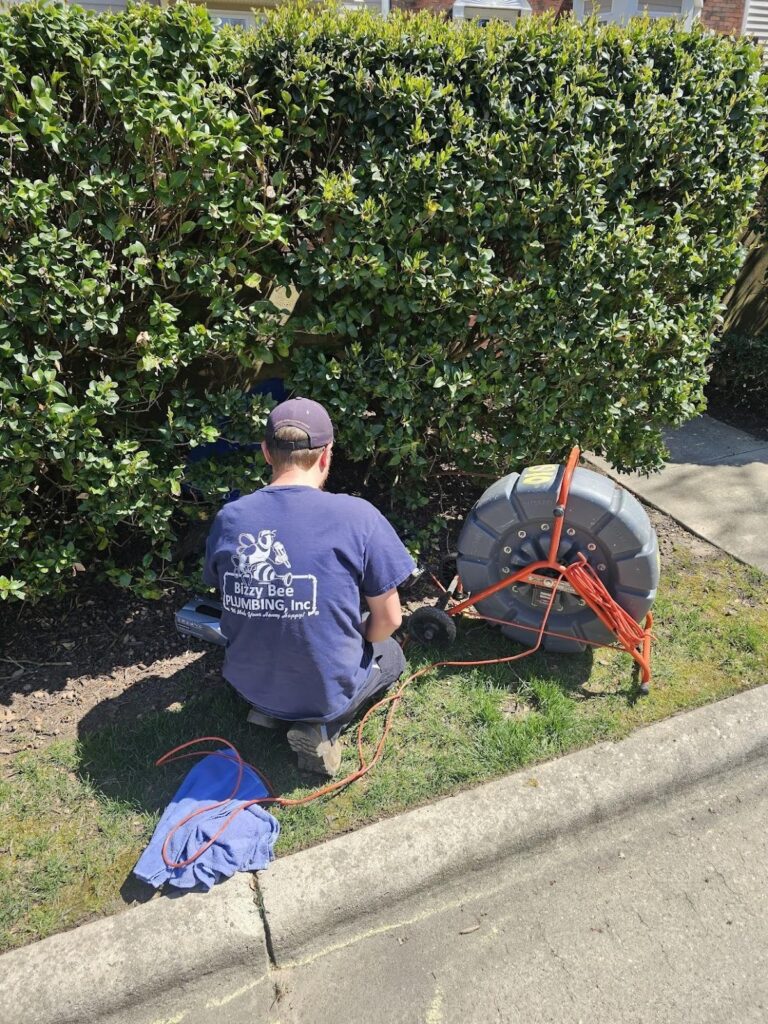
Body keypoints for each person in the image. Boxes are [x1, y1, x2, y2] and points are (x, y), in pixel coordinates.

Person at [203, 397, 416, 776]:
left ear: (266, 452)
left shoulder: (229, 518)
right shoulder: (358, 516)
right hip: (321, 692)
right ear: (326, 455)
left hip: (247, 683)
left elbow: (229, 595)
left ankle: (269, 711)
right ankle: (319, 728)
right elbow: (391, 619)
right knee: (391, 654)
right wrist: (361, 636)